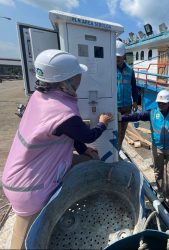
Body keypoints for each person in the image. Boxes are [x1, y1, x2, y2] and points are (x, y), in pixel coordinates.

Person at [2, 49, 113, 249]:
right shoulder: (62, 111)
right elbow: (87, 135)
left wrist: (82, 149)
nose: (80, 80)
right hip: (28, 187)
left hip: (19, 172)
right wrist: (103, 123)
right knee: (26, 239)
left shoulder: (40, 97)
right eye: (77, 77)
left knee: (91, 160)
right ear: (64, 82)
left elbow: (68, 132)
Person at [121, 90, 169, 215]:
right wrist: (122, 118)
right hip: (157, 148)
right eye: (159, 103)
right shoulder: (152, 113)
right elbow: (137, 116)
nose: (161, 105)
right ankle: (160, 192)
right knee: (158, 171)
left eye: (164, 103)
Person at [116, 40, 139, 150]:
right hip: (114, 107)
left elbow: (134, 87)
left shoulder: (130, 71)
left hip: (127, 107)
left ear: (124, 55)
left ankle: (118, 150)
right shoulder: (109, 69)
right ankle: (115, 152)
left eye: (119, 56)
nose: (117, 58)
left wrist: (135, 101)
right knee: (115, 132)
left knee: (122, 132)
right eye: (115, 56)